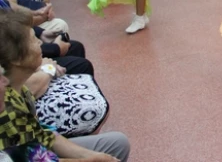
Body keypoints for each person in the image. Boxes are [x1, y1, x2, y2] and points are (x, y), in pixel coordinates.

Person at [0, 10, 130, 161]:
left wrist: (92, 156)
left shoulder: (19, 88)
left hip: (38, 150)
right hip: (36, 156)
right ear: (15, 59)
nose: (40, 42)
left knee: (118, 143)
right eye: (32, 40)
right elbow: (38, 158)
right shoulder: (7, 109)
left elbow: (43, 133)